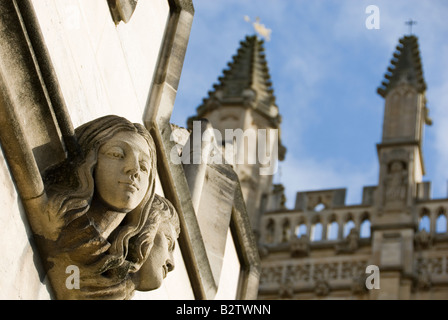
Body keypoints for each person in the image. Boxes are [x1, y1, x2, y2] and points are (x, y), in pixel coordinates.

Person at [41, 115, 180, 299]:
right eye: (117, 154)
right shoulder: (54, 217)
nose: (134, 170)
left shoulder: (109, 262)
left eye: (144, 167)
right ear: (90, 160)